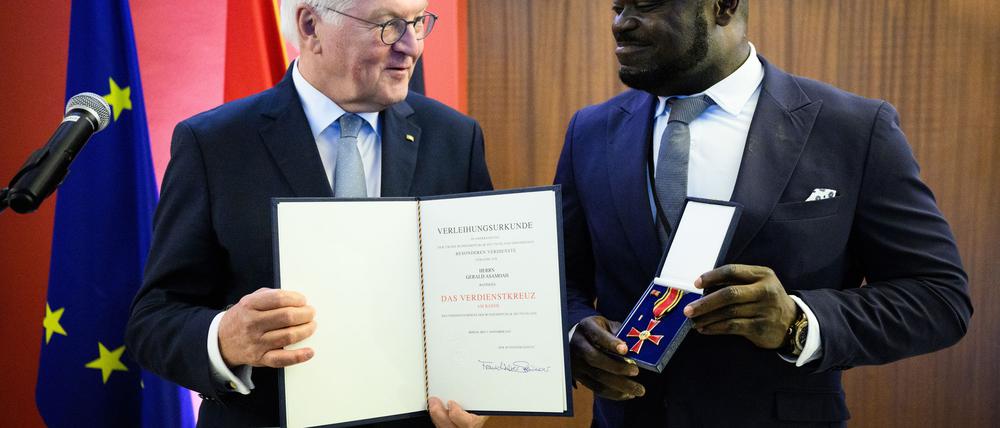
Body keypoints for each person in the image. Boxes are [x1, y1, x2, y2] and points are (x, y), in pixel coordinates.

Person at [555, 1, 972, 426]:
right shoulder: (589, 131)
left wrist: (797, 322)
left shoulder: (854, 129)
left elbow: (938, 298)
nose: (621, 24)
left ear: (723, 6)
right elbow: (562, 280)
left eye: (647, 5)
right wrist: (575, 333)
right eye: (618, 6)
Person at [126, 1, 491, 426]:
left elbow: (479, 305)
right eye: (389, 26)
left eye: (417, 22)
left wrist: (478, 394)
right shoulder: (213, 144)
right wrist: (225, 339)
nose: (411, 45)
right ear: (311, 25)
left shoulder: (456, 138)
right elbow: (153, 320)